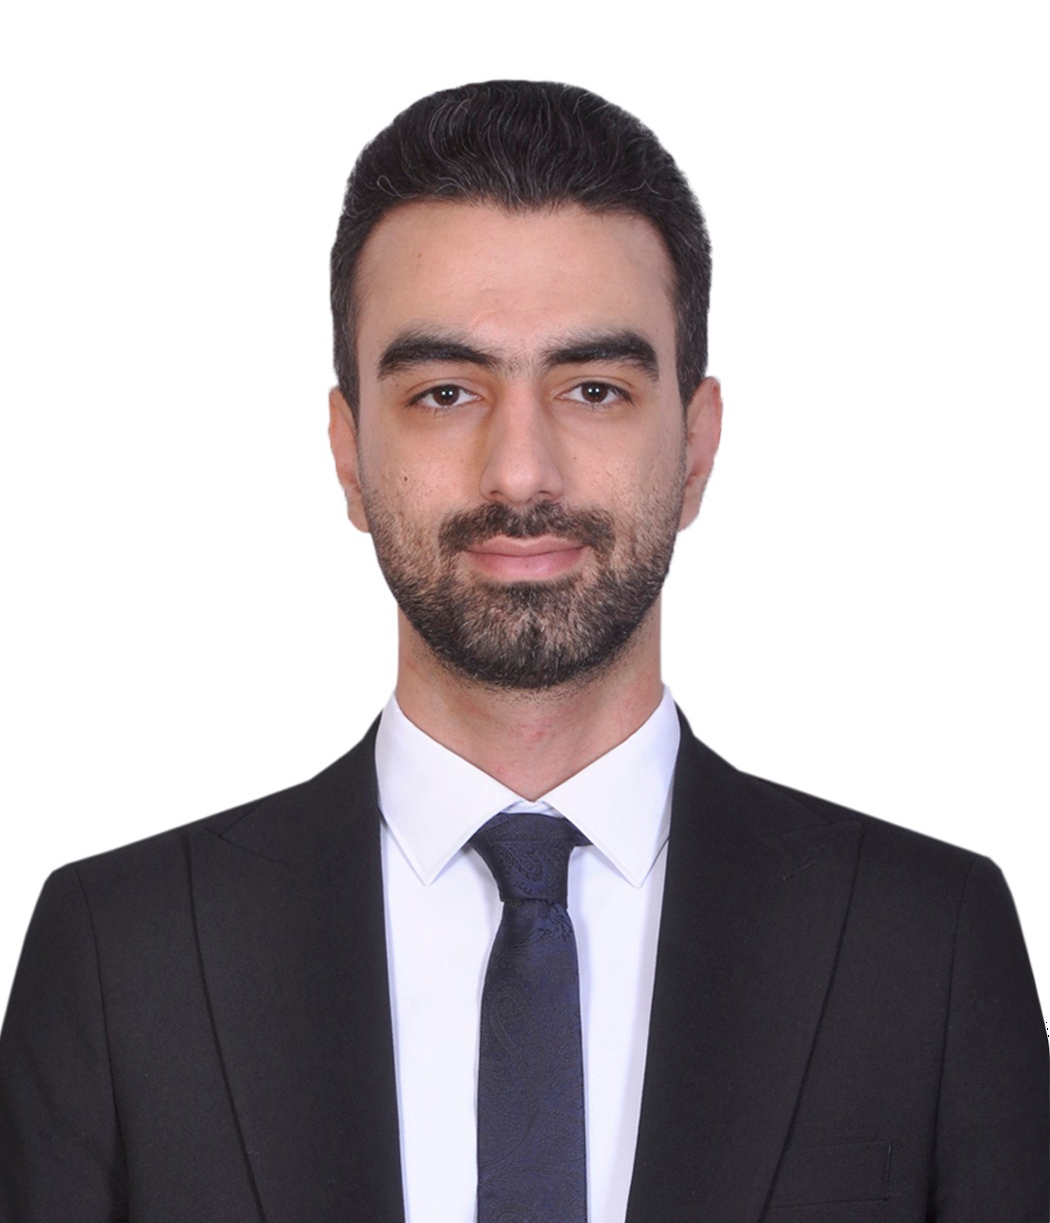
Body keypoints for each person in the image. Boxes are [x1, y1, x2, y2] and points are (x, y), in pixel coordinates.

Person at [0, 80, 1045, 1223]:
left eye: (594, 389)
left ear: (695, 449)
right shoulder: (120, 963)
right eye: (446, 392)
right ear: (348, 455)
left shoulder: (930, 951)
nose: (520, 473)